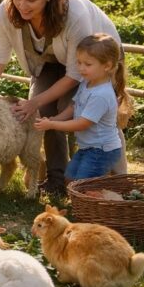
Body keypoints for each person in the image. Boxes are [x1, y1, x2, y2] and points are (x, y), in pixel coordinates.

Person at [0, 0, 125, 195]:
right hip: (49, 62)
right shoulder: (6, 12)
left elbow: (74, 73)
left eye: (31, 0)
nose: (22, 5)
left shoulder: (74, 14)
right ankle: (57, 180)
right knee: (44, 113)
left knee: (79, 111)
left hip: (93, 60)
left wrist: (34, 102)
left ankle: (103, 183)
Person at [34, 34, 132, 182]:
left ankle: (105, 201)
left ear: (107, 66)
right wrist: (56, 118)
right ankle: (91, 200)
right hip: (89, 147)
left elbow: (82, 124)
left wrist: (53, 124)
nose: (81, 68)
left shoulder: (101, 95)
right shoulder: (86, 84)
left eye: (88, 64)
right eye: (79, 62)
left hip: (102, 150)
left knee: (83, 184)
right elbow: (73, 106)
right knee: (70, 178)